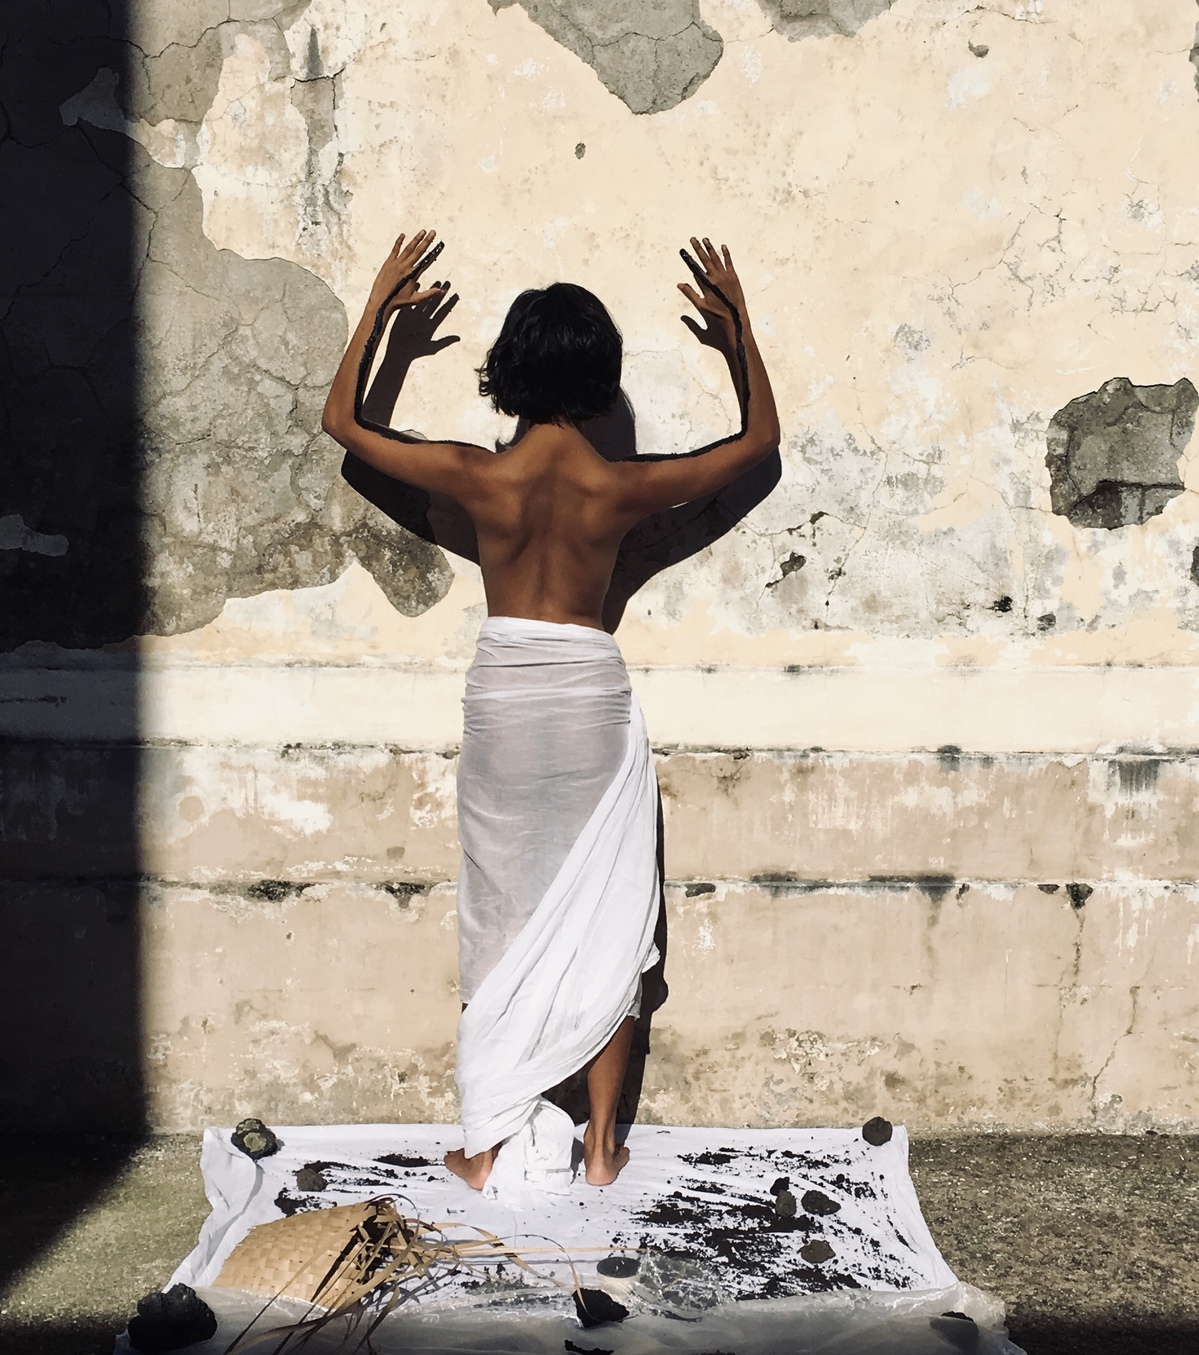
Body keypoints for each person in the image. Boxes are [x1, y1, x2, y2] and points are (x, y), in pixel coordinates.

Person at [322, 230, 779, 1198]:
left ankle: (488, 1142)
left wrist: (382, 314)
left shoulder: (475, 475)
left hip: (504, 690)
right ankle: (602, 1145)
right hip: (586, 694)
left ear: (508, 369)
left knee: (501, 913)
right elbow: (755, 448)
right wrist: (739, 336)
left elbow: (343, 425)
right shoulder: (618, 485)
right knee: (608, 919)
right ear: (602, 375)